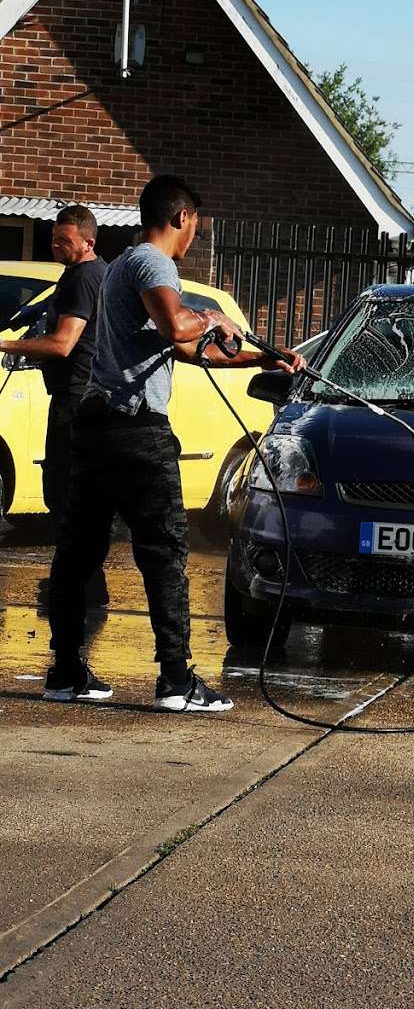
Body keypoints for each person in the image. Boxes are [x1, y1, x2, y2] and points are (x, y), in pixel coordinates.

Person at [42, 175, 305, 712]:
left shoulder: (120, 266)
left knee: (79, 553)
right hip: (137, 433)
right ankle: (177, 681)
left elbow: (187, 350)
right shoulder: (153, 264)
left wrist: (261, 357)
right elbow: (177, 325)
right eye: (195, 230)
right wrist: (215, 317)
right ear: (181, 218)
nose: (193, 241)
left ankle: (66, 673)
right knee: (165, 553)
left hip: (96, 428)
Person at [0, 206, 110, 605]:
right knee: (69, 497)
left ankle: (82, 589)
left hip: (76, 399)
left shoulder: (84, 279)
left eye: (64, 240)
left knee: (66, 496)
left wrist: (7, 344)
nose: (55, 245)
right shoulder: (83, 274)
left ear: (88, 243)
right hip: (76, 396)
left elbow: (63, 344)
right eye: (53, 238)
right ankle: (82, 584)